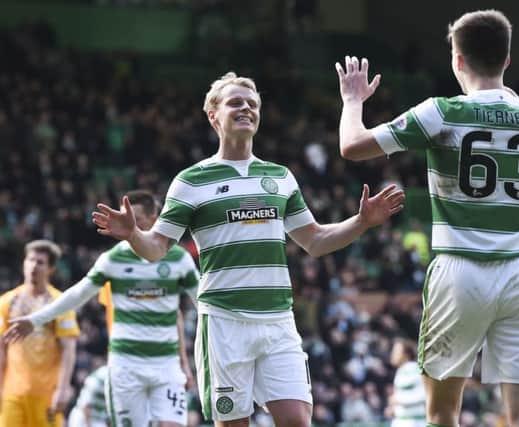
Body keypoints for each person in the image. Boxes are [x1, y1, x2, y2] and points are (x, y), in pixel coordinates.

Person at [88, 72, 405, 426]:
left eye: (252, 104)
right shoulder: (191, 181)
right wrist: (133, 233)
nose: (246, 108)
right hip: (225, 324)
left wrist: (361, 221)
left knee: (298, 420)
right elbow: (157, 249)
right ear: (213, 115)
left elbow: (315, 241)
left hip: (277, 320)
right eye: (235, 102)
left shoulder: (280, 176)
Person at [335, 10, 519, 427]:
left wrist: (354, 102)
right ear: (506, 60)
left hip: (460, 271)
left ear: (457, 60)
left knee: (442, 414)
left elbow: (352, 146)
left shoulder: (441, 113)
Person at [5, 190, 200, 427]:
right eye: (126, 219)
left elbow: (202, 301)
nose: (131, 226)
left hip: (166, 366)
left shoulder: (178, 259)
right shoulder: (113, 259)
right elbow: (78, 294)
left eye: (136, 219)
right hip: (126, 367)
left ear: (154, 217)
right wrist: (35, 319)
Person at [0, 240, 79, 427]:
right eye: (30, 260)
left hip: (47, 394)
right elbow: (1, 347)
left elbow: (69, 349)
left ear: (51, 269)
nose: (33, 266)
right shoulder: (7, 301)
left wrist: (63, 388)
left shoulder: (60, 303)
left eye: (40, 262)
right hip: (13, 392)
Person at [387, 339, 426, 427]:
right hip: (403, 420)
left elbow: (423, 395)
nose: (393, 354)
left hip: (413, 422)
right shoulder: (402, 370)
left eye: (396, 351)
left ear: (406, 354)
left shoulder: (412, 369)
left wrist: (398, 400)